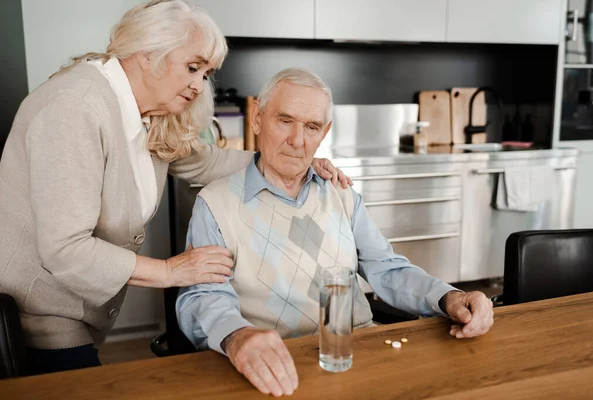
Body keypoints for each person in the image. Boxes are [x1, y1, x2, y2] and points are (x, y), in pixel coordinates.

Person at [0, 0, 349, 375]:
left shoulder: (144, 116)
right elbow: (65, 251)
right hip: (37, 317)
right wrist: (170, 271)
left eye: (206, 73)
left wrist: (293, 159)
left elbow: (207, 162)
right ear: (148, 53)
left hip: (75, 311)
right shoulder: (73, 109)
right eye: (193, 67)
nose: (200, 85)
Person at [177, 68, 495, 397]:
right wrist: (236, 336)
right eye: (285, 120)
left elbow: (388, 269)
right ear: (257, 118)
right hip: (273, 369)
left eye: (311, 127)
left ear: (324, 131)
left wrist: (448, 297)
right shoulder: (215, 204)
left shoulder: (341, 193)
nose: (298, 141)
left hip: (356, 358)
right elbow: (202, 298)